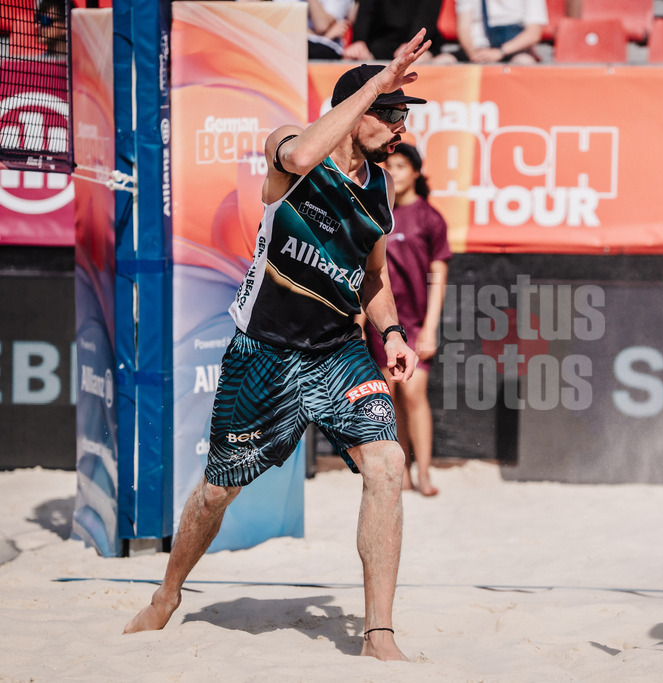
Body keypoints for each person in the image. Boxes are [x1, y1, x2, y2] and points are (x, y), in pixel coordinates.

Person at [123, 32, 433, 662]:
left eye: (404, 115)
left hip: (340, 352)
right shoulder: (288, 147)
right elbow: (296, 158)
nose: (401, 127)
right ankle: (169, 593)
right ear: (358, 107)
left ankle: (379, 633)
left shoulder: (381, 188)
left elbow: (372, 274)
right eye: (392, 113)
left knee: (386, 467)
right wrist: (375, 82)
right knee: (217, 490)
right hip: (263, 352)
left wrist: (392, 332)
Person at [362, 143, 451, 497]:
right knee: (392, 396)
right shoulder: (377, 214)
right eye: (390, 166)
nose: (394, 172)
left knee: (415, 395)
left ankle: (425, 473)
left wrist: (430, 328)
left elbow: (438, 276)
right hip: (384, 324)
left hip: (416, 322)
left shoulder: (430, 218)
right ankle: (403, 473)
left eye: (401, 166)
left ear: (415, 172)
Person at [439, 0, 548, 64]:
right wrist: (473, 53)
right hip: (476, 49)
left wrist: (500, 52)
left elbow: (533, 33)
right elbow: (463, 27)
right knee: (441, 62)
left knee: (524, 62)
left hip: (511, 49)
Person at [343, 0, 445, 64]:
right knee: (353, 60)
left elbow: (426, 17)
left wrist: (411, 44)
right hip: (379, 43)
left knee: (417, 61)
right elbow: (365, 12)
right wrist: (359, 41)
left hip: (419, 44)